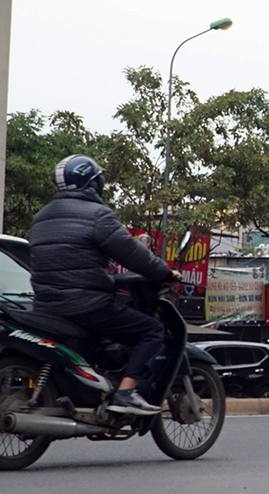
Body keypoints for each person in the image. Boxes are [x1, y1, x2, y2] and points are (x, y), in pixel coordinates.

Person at [28, 155, 177, 415]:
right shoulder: (97, 215)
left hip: (45, 307)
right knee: (152, 330)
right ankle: (125, 392)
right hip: (86, 306)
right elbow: (133, 254)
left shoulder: (41, 217)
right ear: (92, 184)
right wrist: (164, 272)